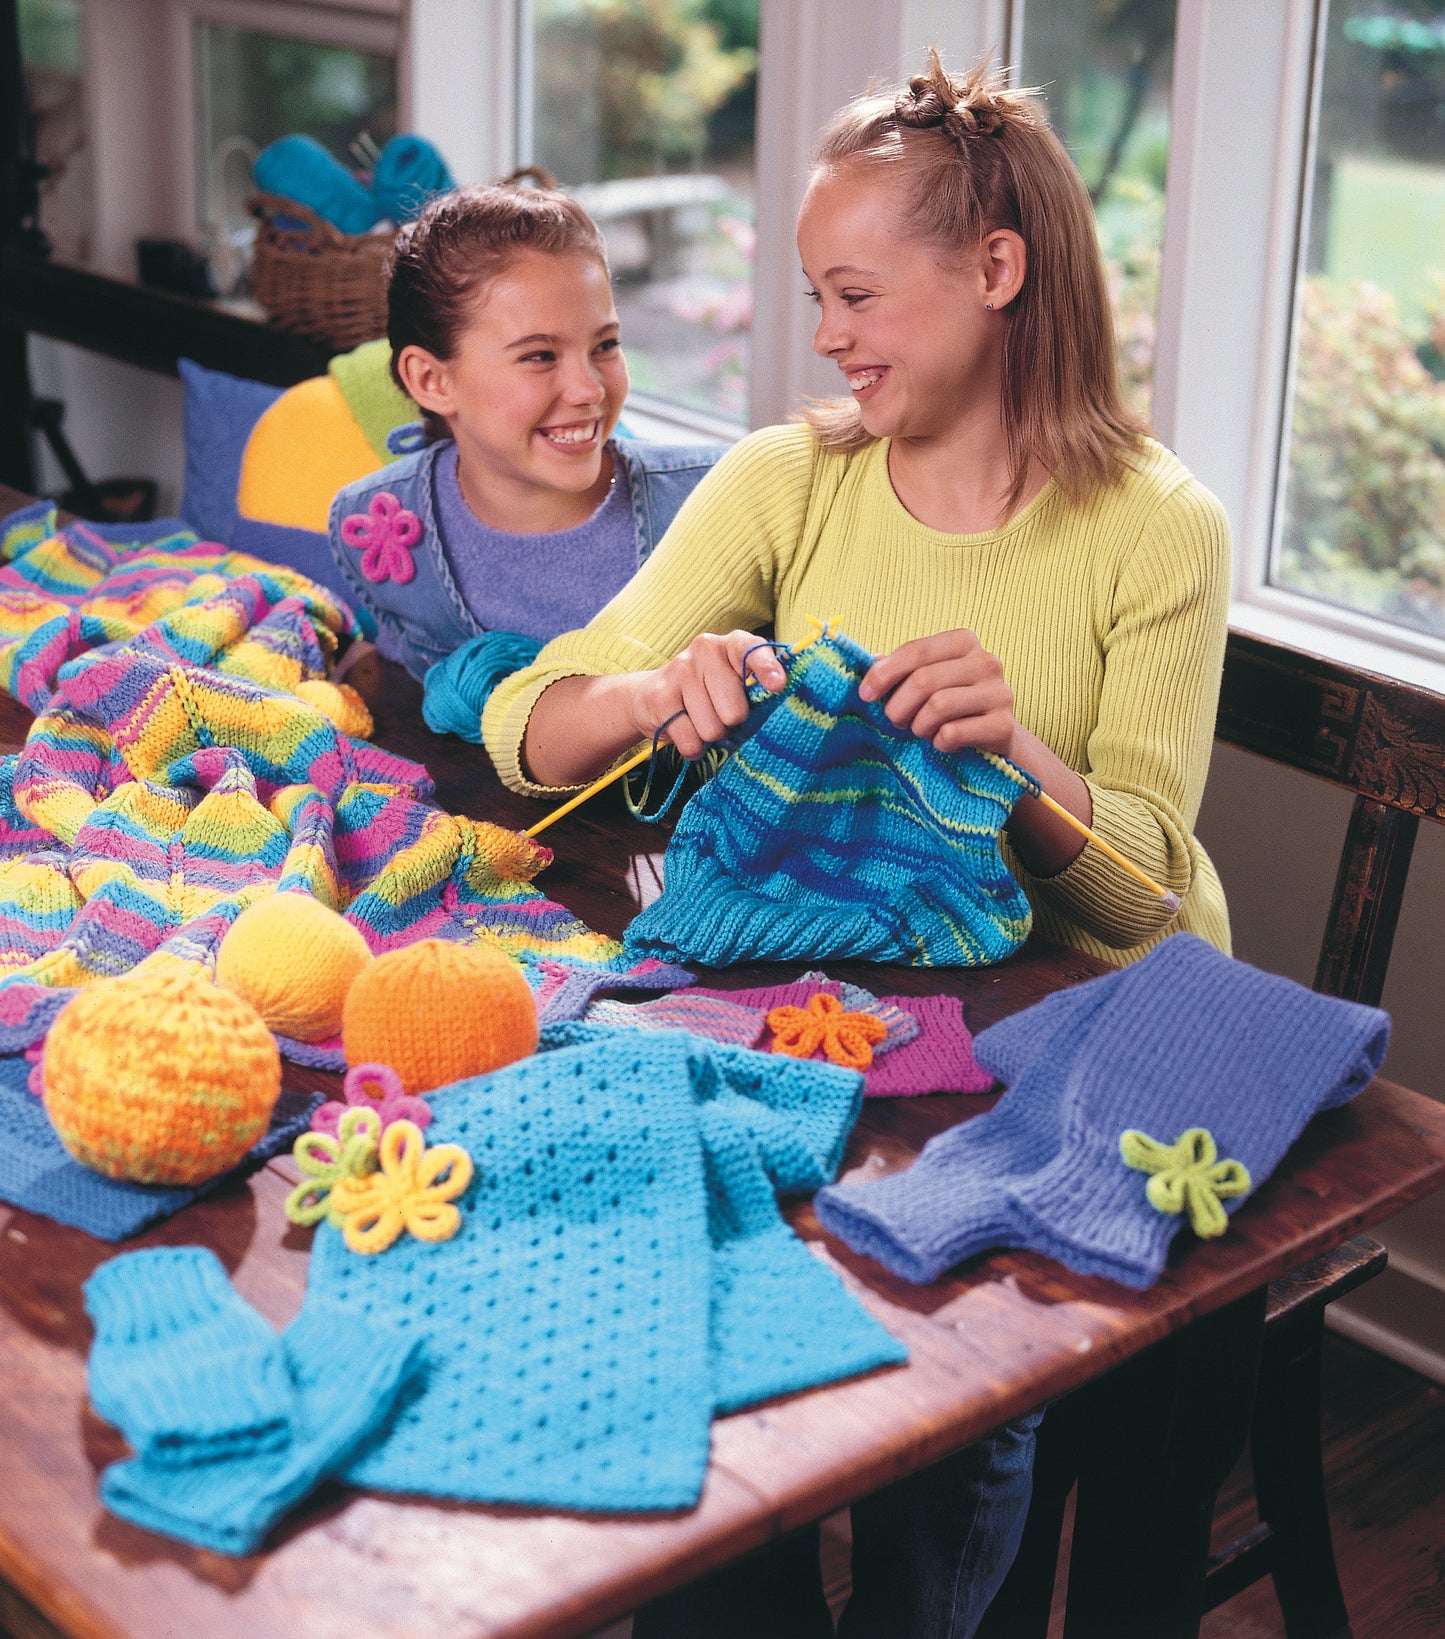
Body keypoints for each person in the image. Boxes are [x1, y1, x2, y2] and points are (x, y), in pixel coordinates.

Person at [482, 48, 1233, 1638]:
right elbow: (525, 722)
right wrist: (646, 692)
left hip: (1075, 1052)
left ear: (996, 269)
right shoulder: (790, 477)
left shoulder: (1158, 524)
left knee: (963, 1373)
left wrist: (1016, 755)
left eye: (854, 294)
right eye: (818, 297)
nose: (823, 335)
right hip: (836, 1031)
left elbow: (1153, 887)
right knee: (663, 1265)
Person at [326, 170, 722, 690]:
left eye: (605, 345)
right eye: (539, 356)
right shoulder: (379, 529)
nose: (588, 389)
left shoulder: (710, 500)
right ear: (432, 380)